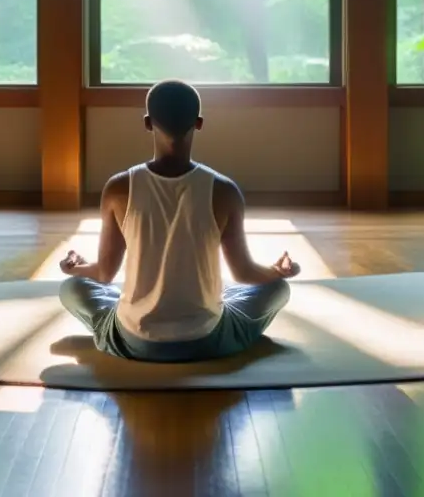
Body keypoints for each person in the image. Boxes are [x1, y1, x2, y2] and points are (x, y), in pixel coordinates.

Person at [58, 80, 301, 362]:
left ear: (148, 123)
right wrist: (278, 271)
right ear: (198, 123)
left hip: (136, 341)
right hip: (206, 340)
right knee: (277, 289)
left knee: (71, 288)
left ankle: (128, 317)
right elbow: (245, 274)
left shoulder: (118, 188)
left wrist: (74, 268)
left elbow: (104, 274)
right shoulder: (224, 190)